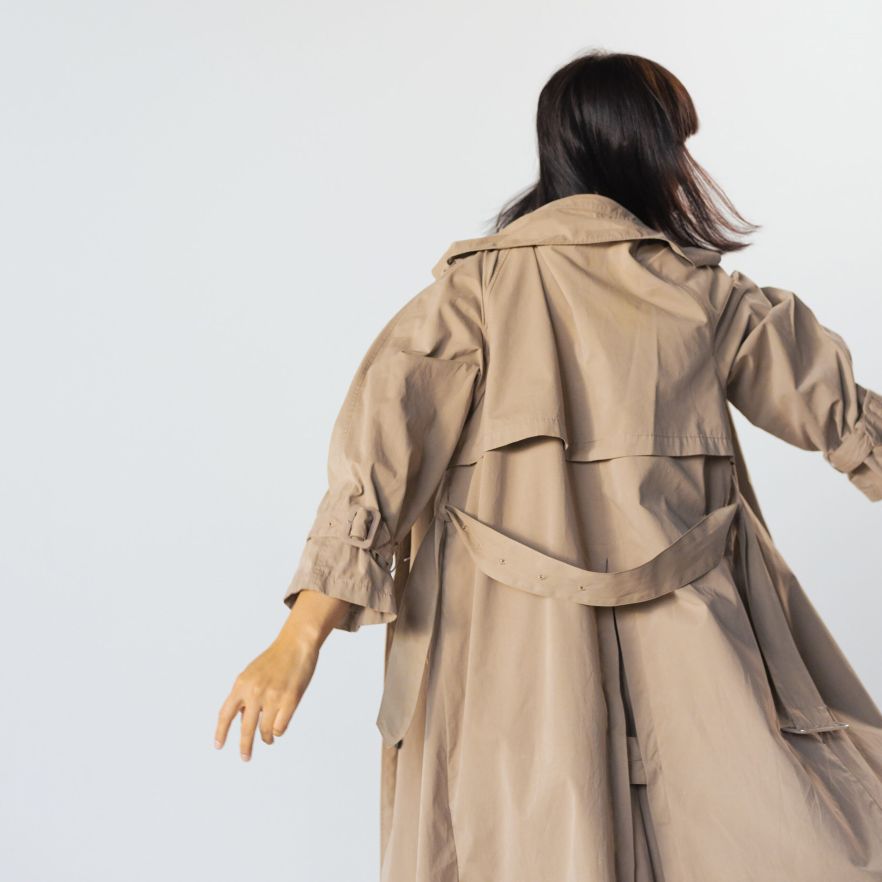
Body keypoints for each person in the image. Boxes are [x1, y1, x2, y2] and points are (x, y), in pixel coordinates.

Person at [215, 49, 882, 881]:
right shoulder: (709, 301)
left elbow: (373, 478)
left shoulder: (467, 299)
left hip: (505, 678)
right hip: (697, 676)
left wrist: (298, 637)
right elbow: (848, 419)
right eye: (678, 144)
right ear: (645, 150)